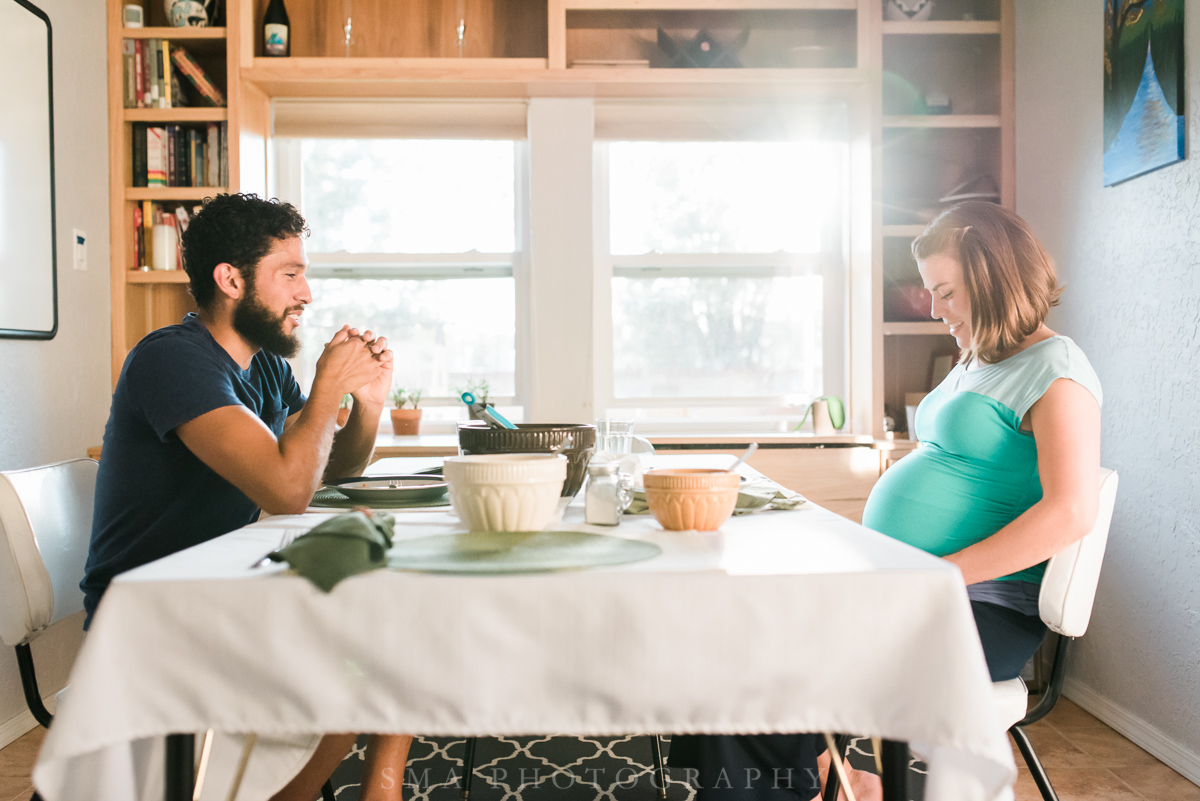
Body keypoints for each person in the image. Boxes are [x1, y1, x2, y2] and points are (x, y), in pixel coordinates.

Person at [669, 201, 1102, 800]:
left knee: (762, 669)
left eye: (945, 291)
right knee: (738, 637)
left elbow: (1071, 511)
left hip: (975, 611)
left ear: (993, 278)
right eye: (930, 292)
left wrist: (937, 575)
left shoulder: (1057, 370)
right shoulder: (978, 359)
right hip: (908, 594)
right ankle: (828, 773)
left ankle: (823, 776)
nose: (933, 309)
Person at [82, 193, 412, 801]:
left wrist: (364, 406)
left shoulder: (260, 367)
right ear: (230, 279)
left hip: (223, 586)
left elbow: (325, 471)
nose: (306, 294)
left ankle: (372, 790)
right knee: (365, 652)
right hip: (152, 609)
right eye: (290, 274)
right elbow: (288, 491)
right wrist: (327, 386)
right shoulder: (171, 361)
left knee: (395, 626)